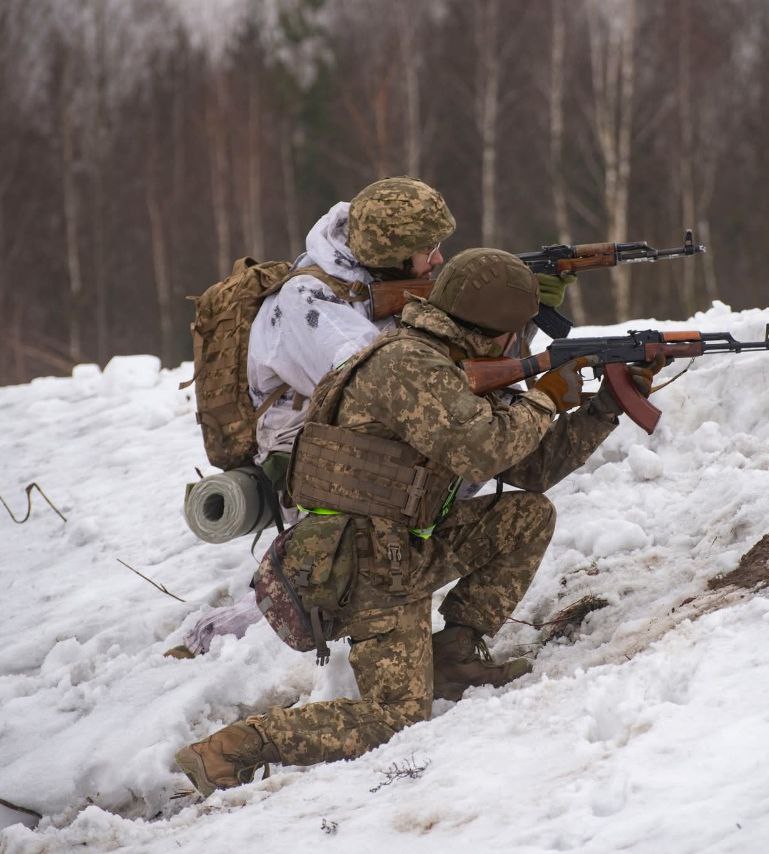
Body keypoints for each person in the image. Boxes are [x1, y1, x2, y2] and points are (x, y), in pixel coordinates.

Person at [174, 247, 659, 796]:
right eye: (516, 331)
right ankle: (233, 747)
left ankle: (453, 658)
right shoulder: (407, 367)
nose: (518, 343)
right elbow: (484, 448)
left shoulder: (447, 362)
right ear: (493, 326)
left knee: (526, 517)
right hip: (359, 567)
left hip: (399, 545)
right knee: (396, 718)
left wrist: (607, 406)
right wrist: (544, 399)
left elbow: (531, 469)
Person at [166, 176, 572, 659]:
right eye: (427, 251)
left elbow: (440, 361)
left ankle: (431, 622)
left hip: (368, 460)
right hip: (324, 477)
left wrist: (518, 311)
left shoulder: (371, 279)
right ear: (390, 252)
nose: (437, 260)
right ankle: (233, 632)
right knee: (341, 582)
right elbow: (404, 388)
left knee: (473, 451)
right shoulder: (309, 303)